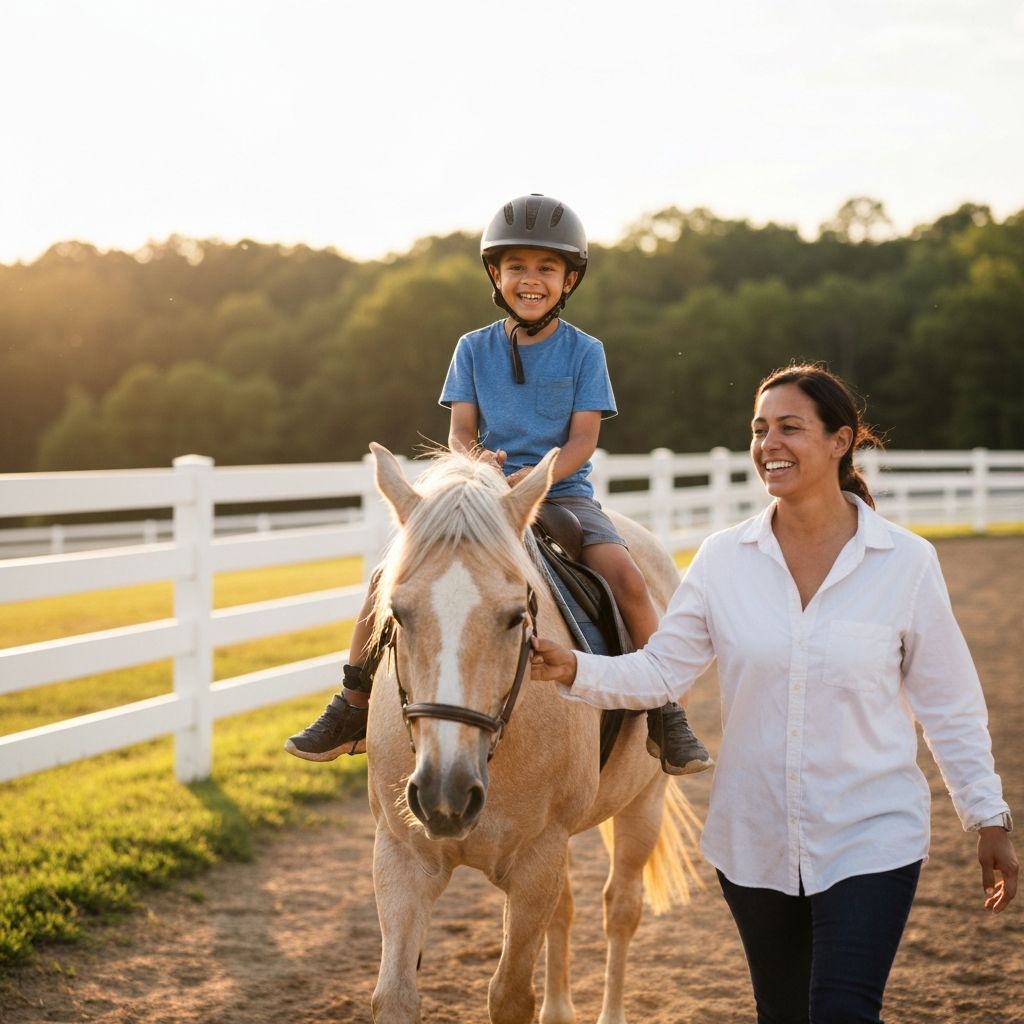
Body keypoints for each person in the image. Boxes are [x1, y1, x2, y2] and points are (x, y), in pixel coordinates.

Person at [530, 363, 1018, 1024]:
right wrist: (573, 669)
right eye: (760, 429)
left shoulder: (905, 563)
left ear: (840, 441)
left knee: (844, 1012)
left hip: (872, 834)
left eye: (790, 428)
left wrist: (986, 817)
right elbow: (661, 673)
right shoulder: (725, 559)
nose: (769, 444)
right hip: (754, 841)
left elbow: (948, 703)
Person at [285, 193, 712, 775]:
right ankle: (353, 701)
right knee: (386, 580)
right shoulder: (472, 347)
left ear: (569, 280)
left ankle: (666, 710)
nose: (530, 280)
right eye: (517, 267)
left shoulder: (586, 353)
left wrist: (534, 481)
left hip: (561, 495)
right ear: (496, 273)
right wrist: (480, 469)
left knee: (628, 577)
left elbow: (584, 441)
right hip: (482, 498)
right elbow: (460, 431)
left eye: (546, 268)